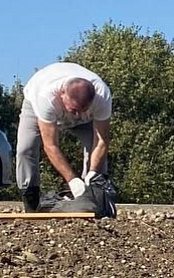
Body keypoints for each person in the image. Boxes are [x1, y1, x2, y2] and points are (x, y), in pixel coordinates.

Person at [16, 62, 113, 211]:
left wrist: (93, 172)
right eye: (74, 110)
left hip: (86, 119)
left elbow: (101, 140)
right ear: (62, 93)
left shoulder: (102, 95)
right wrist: (72, 180)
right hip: (38, 107)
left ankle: (94, 197)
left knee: (94, 150)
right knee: (25, 148)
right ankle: (30, 199)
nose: (78, 115)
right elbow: (51, 146)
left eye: (83, 109)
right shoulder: (46, 98)